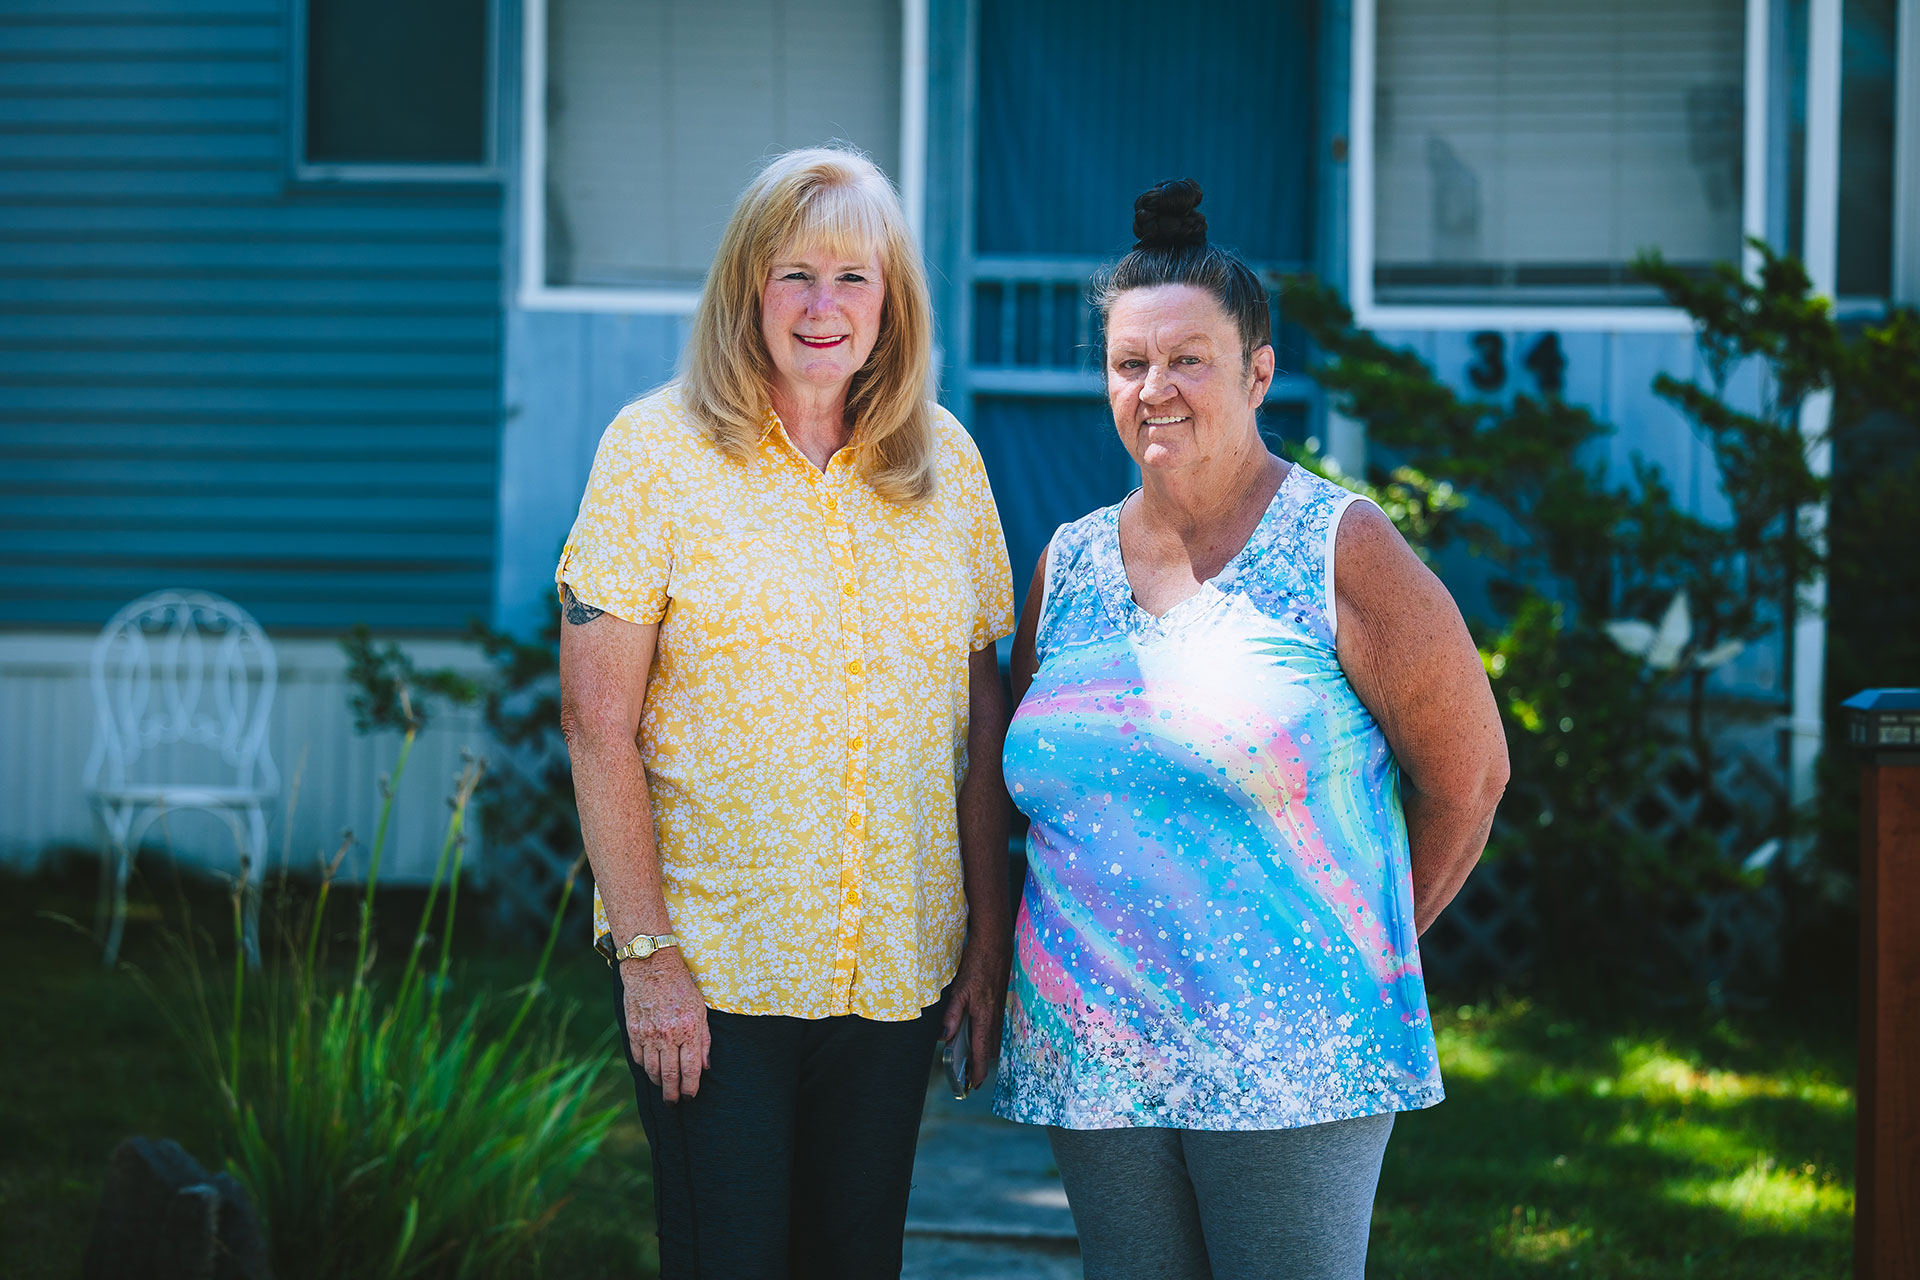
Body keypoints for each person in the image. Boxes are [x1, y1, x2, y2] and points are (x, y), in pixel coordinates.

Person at [993, 179, 1510, 1280]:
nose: (1156, 388)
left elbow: (1469, 776)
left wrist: (1359, 944)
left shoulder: (1339, 545)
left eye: (1190, 359)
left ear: (1258, 371)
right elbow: (1028, 789)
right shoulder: (1069, 562)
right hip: (1091, 1052)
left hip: (1286, 1049)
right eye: (1130, 363)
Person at [556, 146, 1018, 1279]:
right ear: (747, 291)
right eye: (794, 275)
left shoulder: (945, 462)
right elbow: (595, 724)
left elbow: (981, 719)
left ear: (891, 302)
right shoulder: (655, 453)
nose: (824, 307)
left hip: (892, 972)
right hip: (718, 979)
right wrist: (650, 960)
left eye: (854, 278)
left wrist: (990, 941)